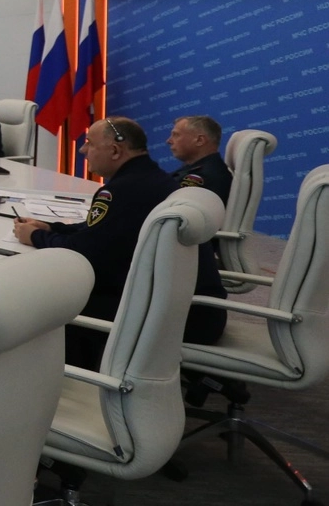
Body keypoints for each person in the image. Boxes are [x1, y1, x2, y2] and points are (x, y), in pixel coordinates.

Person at [13, 117, 227, 369]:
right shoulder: (149, 179)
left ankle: (74, 384)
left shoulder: (122, 190)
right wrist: (52, 227)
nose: (82, 150)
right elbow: (99, 231)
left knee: (58, 299)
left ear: (115, 150)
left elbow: (81, 254)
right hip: (194, 309)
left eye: (90, 143)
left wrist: (34, 237)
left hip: (180, 317)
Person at [167, 115, 232, 203]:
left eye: (176, 135)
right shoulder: (195, 169)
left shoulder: (204, 177)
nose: (169, 141)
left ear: (200, 140)